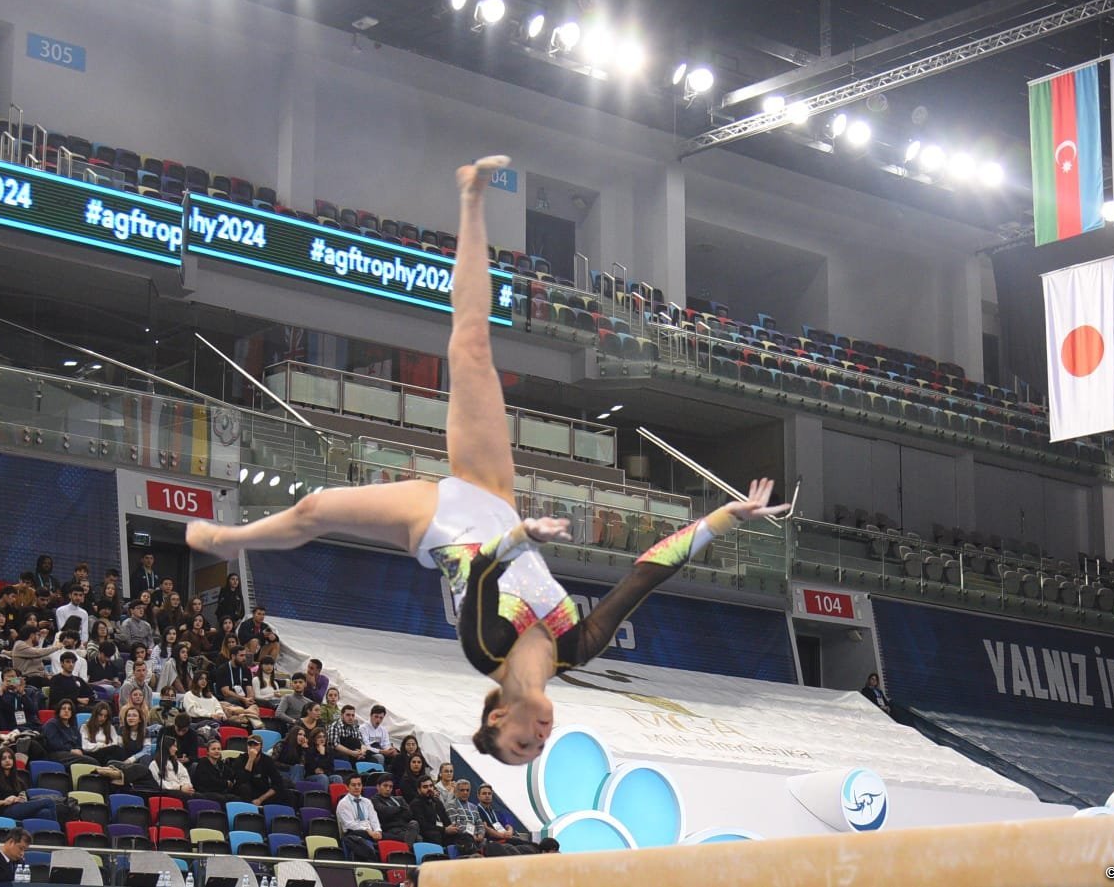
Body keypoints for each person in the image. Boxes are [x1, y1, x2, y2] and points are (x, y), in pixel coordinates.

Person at [186, 158, 789, 765]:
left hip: (437, 525)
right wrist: (724, 520)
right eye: (541, 745)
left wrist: (519, 536)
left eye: (523, 741)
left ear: (498, 715)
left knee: (316, 507)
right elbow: (645, 573)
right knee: (472, 344)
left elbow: (480, 575)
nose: (542, 734)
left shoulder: (487, 651)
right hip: (493, 498)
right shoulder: (576, 645)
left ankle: (236, 538)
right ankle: (474, 199)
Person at [0, 746, 59, 820]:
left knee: (45, 813)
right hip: (6, 810)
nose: (7, 760)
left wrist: (23, 799)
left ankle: (45, 830)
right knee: (49, 802)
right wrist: (5, 801)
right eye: (4, 758)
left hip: (21, 808)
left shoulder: (19, 781)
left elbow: (24, 798)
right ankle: (57, 829)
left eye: (10, 758)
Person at [229, 733, 288, 807]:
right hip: (244, 792)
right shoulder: (240, 759)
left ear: (261, 746)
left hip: (261, 791)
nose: (252, 748)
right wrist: (251, 759)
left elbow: (278, 783)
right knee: (244, 787)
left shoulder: (267, 760)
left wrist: (260, 799)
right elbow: (241, 780)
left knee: (287, 793)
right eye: (250, 745)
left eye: (256, 745)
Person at [336, 773, 383, 861]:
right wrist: (368, 831)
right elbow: (350, 824)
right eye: (353, 785)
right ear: (347, 787)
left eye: (359, 784)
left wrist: (378, 831)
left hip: (370, 834)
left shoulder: (367, 802)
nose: (357, 787)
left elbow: (374, 819)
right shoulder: (343, 803)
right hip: (353, 833)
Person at [409, 775, 460, 848]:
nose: (429, 789)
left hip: (442, 831)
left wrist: (451, 828)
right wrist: (444, 830)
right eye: (425, 787)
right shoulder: (416, 804)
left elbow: (446, 820)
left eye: (431, 786)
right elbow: (423, 826)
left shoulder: (437, 802)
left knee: (461, 835)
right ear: (419, 790)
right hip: (428, 833)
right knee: (435, 835)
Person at [371, 772, 420, 845]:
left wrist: (394, 811)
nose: (388, 789)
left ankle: (406, 850)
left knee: (415, 825)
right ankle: (406, 851)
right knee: (417, 838)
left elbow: (409, 814)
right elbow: (384, 812)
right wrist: (400, 809)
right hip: (391, 829)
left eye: (390, 787)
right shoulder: (374, 800)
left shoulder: (399, 799)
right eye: (385, 786)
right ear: (378, 787)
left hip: (404, 827)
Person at [192, 737, 237, 802]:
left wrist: (231, 781)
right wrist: (226, 783)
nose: (217, 751)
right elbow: (210, 782)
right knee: (221, 799)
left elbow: (232, 774)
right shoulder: (203, 762)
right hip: (205, 792)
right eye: (213, 749)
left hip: (219, 792)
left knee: (235, 798)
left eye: (219, 749)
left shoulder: (220, 763)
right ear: (208, 752)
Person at [41, 699, 85, 764]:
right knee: (90, 761)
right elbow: (54, 744)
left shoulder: (73, 727)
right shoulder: (52, 724)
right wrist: (71, 750)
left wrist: (79, 750)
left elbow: (78, 743)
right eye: (63, 708)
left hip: (72, 754)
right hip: (56, 754)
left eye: (69, 709)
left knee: (93, 758)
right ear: (59, 711)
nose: (66, 711)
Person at [150, 733, 195, 797]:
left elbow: (185, 777)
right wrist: (180, 787)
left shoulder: (177, 763)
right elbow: (159, 783)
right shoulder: (154, 764)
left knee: (199, 797)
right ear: (166, 747)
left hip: (181, 790)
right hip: (166, 792)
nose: (176, 749)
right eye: (174, 746)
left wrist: (186, 787)